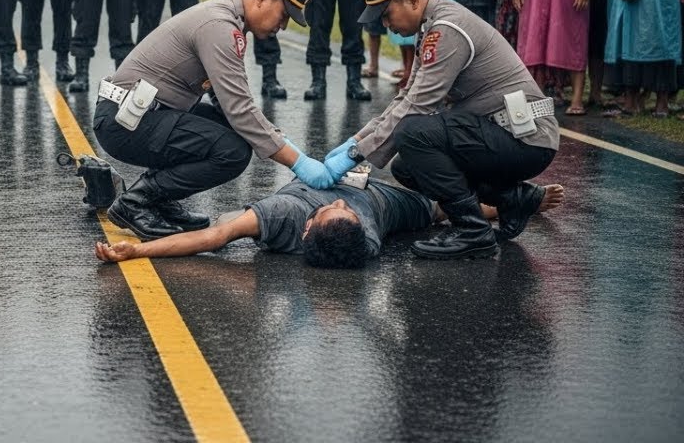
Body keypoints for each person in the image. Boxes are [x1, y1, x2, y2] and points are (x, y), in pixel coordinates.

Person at [325, 0, 559, 260]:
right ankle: (513, 198)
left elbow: (418, 107)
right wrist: (355, 143)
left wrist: (355, 156)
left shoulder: (447, 29)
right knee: (406, 167)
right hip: (502, 134)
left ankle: (473, 232)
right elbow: (406, 97)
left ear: (411, 0)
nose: (386, 25)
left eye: (386, 14)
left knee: (413, 133)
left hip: (527, 139)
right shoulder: (432, 26)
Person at [93, 0, 332, 240]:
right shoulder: (219, 26)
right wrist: (298, 162)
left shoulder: (227, 19)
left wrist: (275, 139)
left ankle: (159, 199)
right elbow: (241, 110)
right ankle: (135, 202)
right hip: (124, 122)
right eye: (283, 15)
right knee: (232, 151)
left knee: (226, 128)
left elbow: (228, 104)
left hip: (140, 115)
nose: (282, 26)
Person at [95, 178, 564, 268]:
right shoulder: (366, 230)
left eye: (331, 210)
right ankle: (517, 204)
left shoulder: (281, 217)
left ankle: (514, 202)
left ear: (306, 228)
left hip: (374, 193)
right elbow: (355, 246)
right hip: (386, 197)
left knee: (224, 221)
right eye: (341, 210)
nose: (337, 205)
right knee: (443, 207)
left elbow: (212, 237)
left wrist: (137, 250)